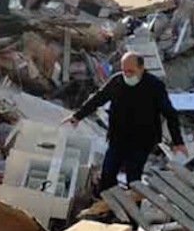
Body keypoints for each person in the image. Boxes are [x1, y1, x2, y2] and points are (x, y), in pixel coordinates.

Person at [62, 52, 187, 196]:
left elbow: (170, 114)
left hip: (142, 141)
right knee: (107, 176)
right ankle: (107, 210)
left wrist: (178, 142)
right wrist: (77, 116)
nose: (127, 75)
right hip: (118, 138)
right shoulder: (117, 81)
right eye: (124, 70)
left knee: (133, 180)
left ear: (141, 69)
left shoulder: (154, 86)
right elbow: (98, 99)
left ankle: (132, 215)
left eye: (131, 71)